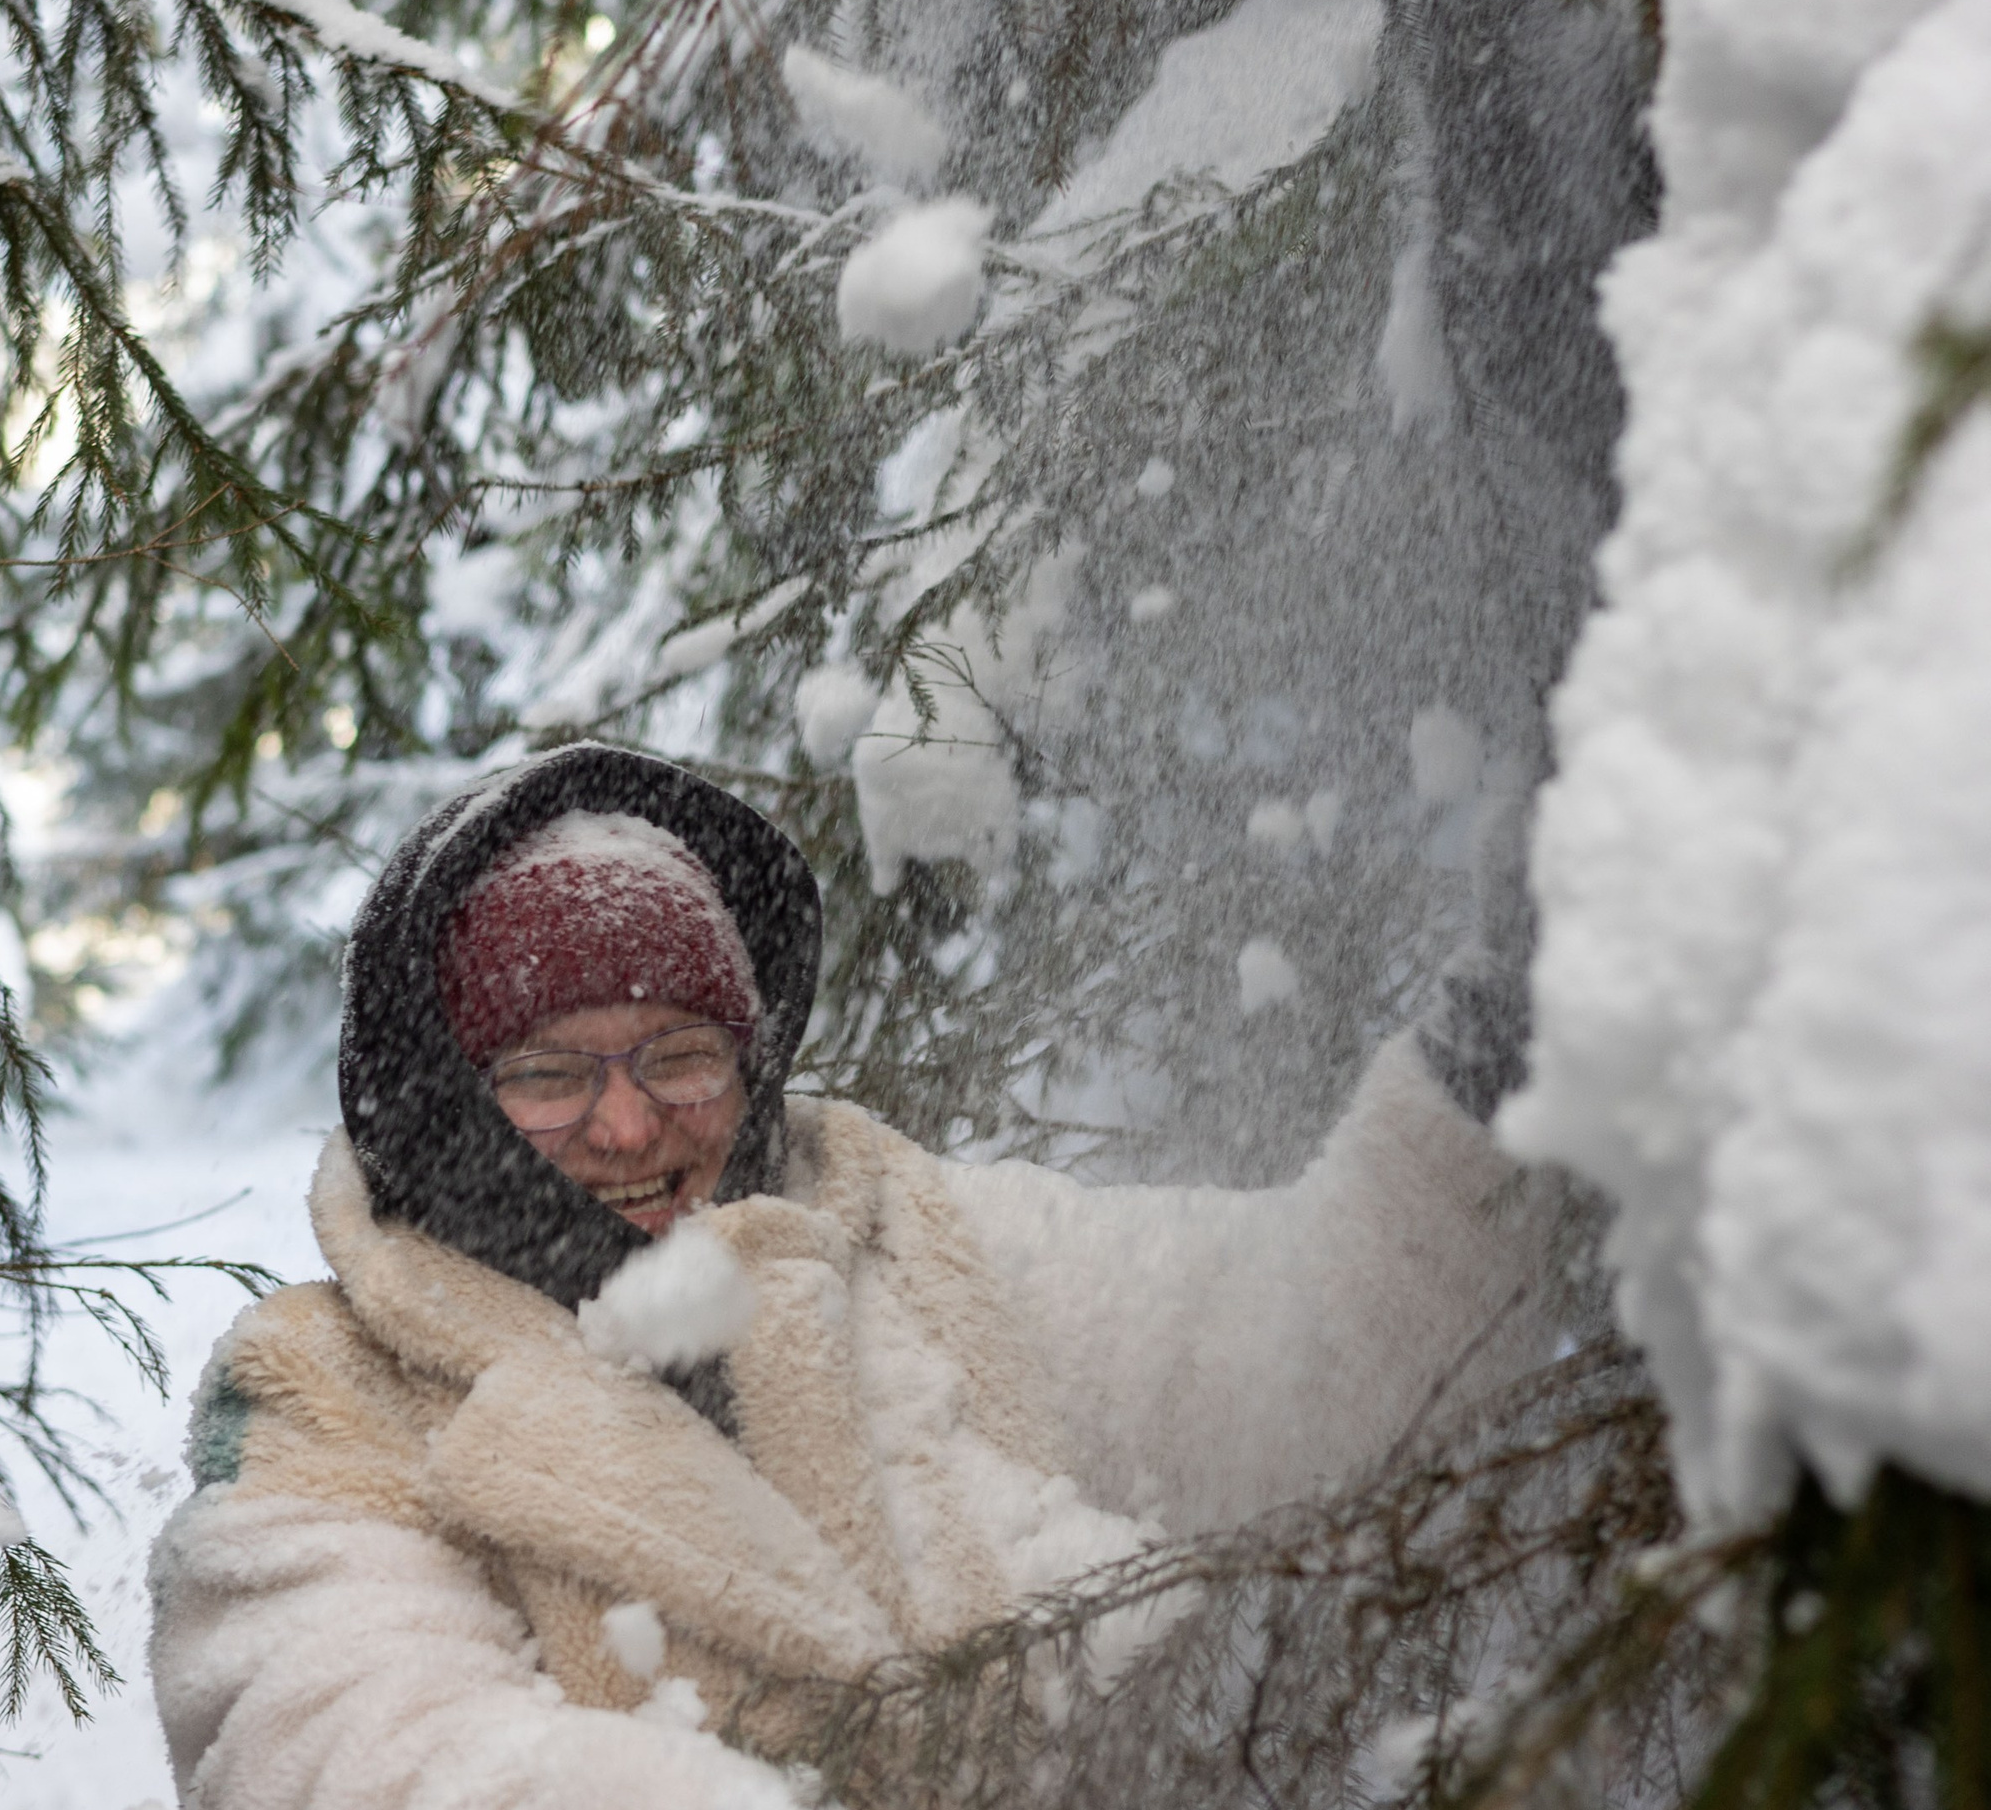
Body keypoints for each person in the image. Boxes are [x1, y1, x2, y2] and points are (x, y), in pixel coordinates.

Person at [149, 744, 1553, 1810]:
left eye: (681, 1057)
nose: (633, 1127)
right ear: (451, 1098)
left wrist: (1491, 1061)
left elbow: (1315, 1358)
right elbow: (344, 1743)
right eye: (551, 1074)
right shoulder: (328, 1390)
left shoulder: (916, 1242)